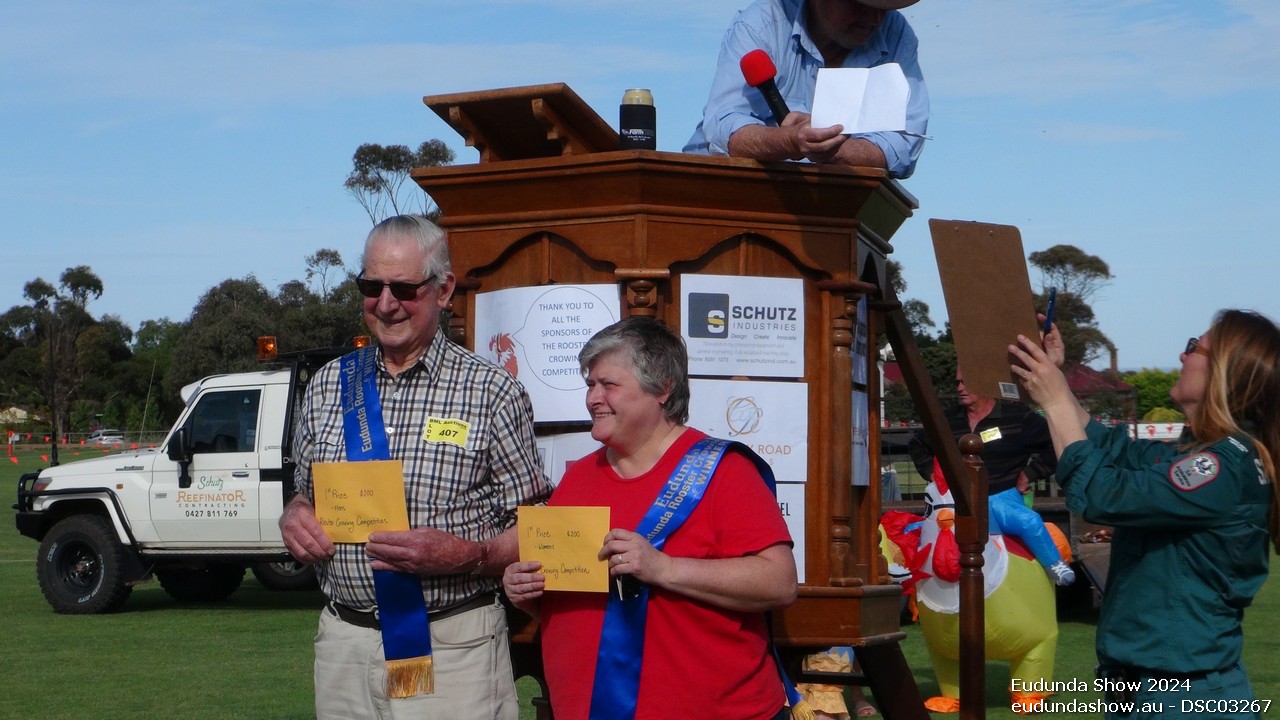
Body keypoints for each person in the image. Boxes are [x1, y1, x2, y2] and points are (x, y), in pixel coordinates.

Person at [280, 215, 552, 720]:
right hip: (346, 643)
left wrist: (467, 555)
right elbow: (303, 492)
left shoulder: (491, 391)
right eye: (371, 285)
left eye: (403, 287)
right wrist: (294, 515)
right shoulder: (325, 385)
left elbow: (538, 528)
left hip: (453, 644)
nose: (385, 303)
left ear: (443, 289)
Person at [503, 317, 799, 720]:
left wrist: (665, 567)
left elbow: (778, 583)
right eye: (590, 384)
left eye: (609, 384)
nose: (593, 398)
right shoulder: (577, 478)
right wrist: (531, 595)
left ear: (662, 388)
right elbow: (582, 605)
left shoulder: (725, 470)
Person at [1010, 310, 1280, 719]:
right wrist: (1056, 388)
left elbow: (1104, 495)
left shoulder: (1221, 465)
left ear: (1224, 372)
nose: (1183, 354)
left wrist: (1056, 399)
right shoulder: (1207, 453)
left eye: (1195, 347)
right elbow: (1114, 451)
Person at [683, 0, 929, 179]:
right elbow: (723, 129)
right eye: (858, 3)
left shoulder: (897, 33)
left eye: (883, 7)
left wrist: (829, 148)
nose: (874, 18)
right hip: (716, 192)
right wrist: (790, 140)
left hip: (828, 210)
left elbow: (904, 143)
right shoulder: (760, 24)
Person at [908, 370, 1075, 585]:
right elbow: (917, 444)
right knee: (921, 532)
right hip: (957, 502)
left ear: (985, 383)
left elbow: (1057, 442)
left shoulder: (1018, 417)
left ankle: (1054, 564)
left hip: (1001, 496)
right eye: (957, 382)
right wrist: (931, 471)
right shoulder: (947, 419)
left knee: (1029, 521)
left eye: (965, 382)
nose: (959, 388)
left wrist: (1030, 474)